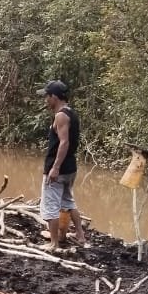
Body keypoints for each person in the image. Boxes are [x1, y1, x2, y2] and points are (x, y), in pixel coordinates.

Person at [40, 80, 88, 250]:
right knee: (68, 201)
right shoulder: (71, 113)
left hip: (59, 169)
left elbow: (64, 142)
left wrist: (55, 167)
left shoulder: (60, 116)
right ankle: (80, 236)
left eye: (47, 96)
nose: (46, 100)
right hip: (70, 168)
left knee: (51, 206)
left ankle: (53, 243)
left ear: (54, 96)